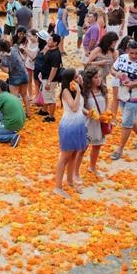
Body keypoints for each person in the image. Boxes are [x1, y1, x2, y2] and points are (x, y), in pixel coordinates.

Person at [54, 68, 88, 197]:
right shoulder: (66, 91)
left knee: (74, 154)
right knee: (65, 157)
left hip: (78, 123)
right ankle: (57, 187)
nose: (79, 77)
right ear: (70, 80)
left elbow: (79, 107)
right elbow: (73, 108)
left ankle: (70, 181)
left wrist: (88, 112)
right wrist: (79, 91)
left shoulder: (74, 91)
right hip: (69, 125)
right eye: (76, 77)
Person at [82, 66, 107, 178]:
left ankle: (92, 167)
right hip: (88, 122)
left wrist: (108, 116)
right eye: (95, 77)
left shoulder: (103, 89)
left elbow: (107, 103)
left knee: (97, 145)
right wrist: (89, 113)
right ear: (90, 79)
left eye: (100, 76)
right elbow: (80, 107)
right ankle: (75, 168)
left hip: (100, 122)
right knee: (83, 147)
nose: (99, 79)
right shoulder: (85, 92)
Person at [0, 34, 31, 114]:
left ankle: (18, 113)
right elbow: (22, 58)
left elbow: (7, 70)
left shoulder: (3, 56)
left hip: (14, 77)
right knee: (24, 94)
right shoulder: (15, 48)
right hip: (24, 74)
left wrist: (0, 65)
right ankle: (28, 112)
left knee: (15, 97)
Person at [39, 32, 63, 122]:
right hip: (45, 76)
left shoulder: (56, 54)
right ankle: (44, 111)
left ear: (55, 43)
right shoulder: (50, 50)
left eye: (50, 40)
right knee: (46, 95)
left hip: (50, 79)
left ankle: (51, 116)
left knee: (50, 97)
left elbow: (54, 69)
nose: (48, 41)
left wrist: (49, 81)